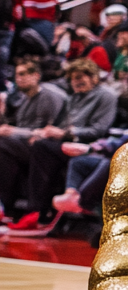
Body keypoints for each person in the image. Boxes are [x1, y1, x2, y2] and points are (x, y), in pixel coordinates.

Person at [1, 58, 117, 233]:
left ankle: (39, 212)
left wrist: (65, 133)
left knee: (41, 148)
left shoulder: (106, 96)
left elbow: (99, 129)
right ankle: (17, 208)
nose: (76, 82)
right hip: (65, 142)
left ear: (93, 77)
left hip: (87, 145)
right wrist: (47, 132)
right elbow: (60, 125)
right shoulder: (73, 98)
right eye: (72, 78)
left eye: (80, 77)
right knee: (34, 145)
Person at [0, 59, 68, 221]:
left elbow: (51, 130)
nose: (19, 79)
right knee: (4, 151)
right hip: (26, 144)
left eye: (23, 74)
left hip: (47, 146)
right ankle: (6, 205)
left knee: (2, 144)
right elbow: (21, 128)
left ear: (36, 75)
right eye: (17, 75)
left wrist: (14, 131)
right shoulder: (25, 99)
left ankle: (6, 205)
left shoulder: (51, 96)